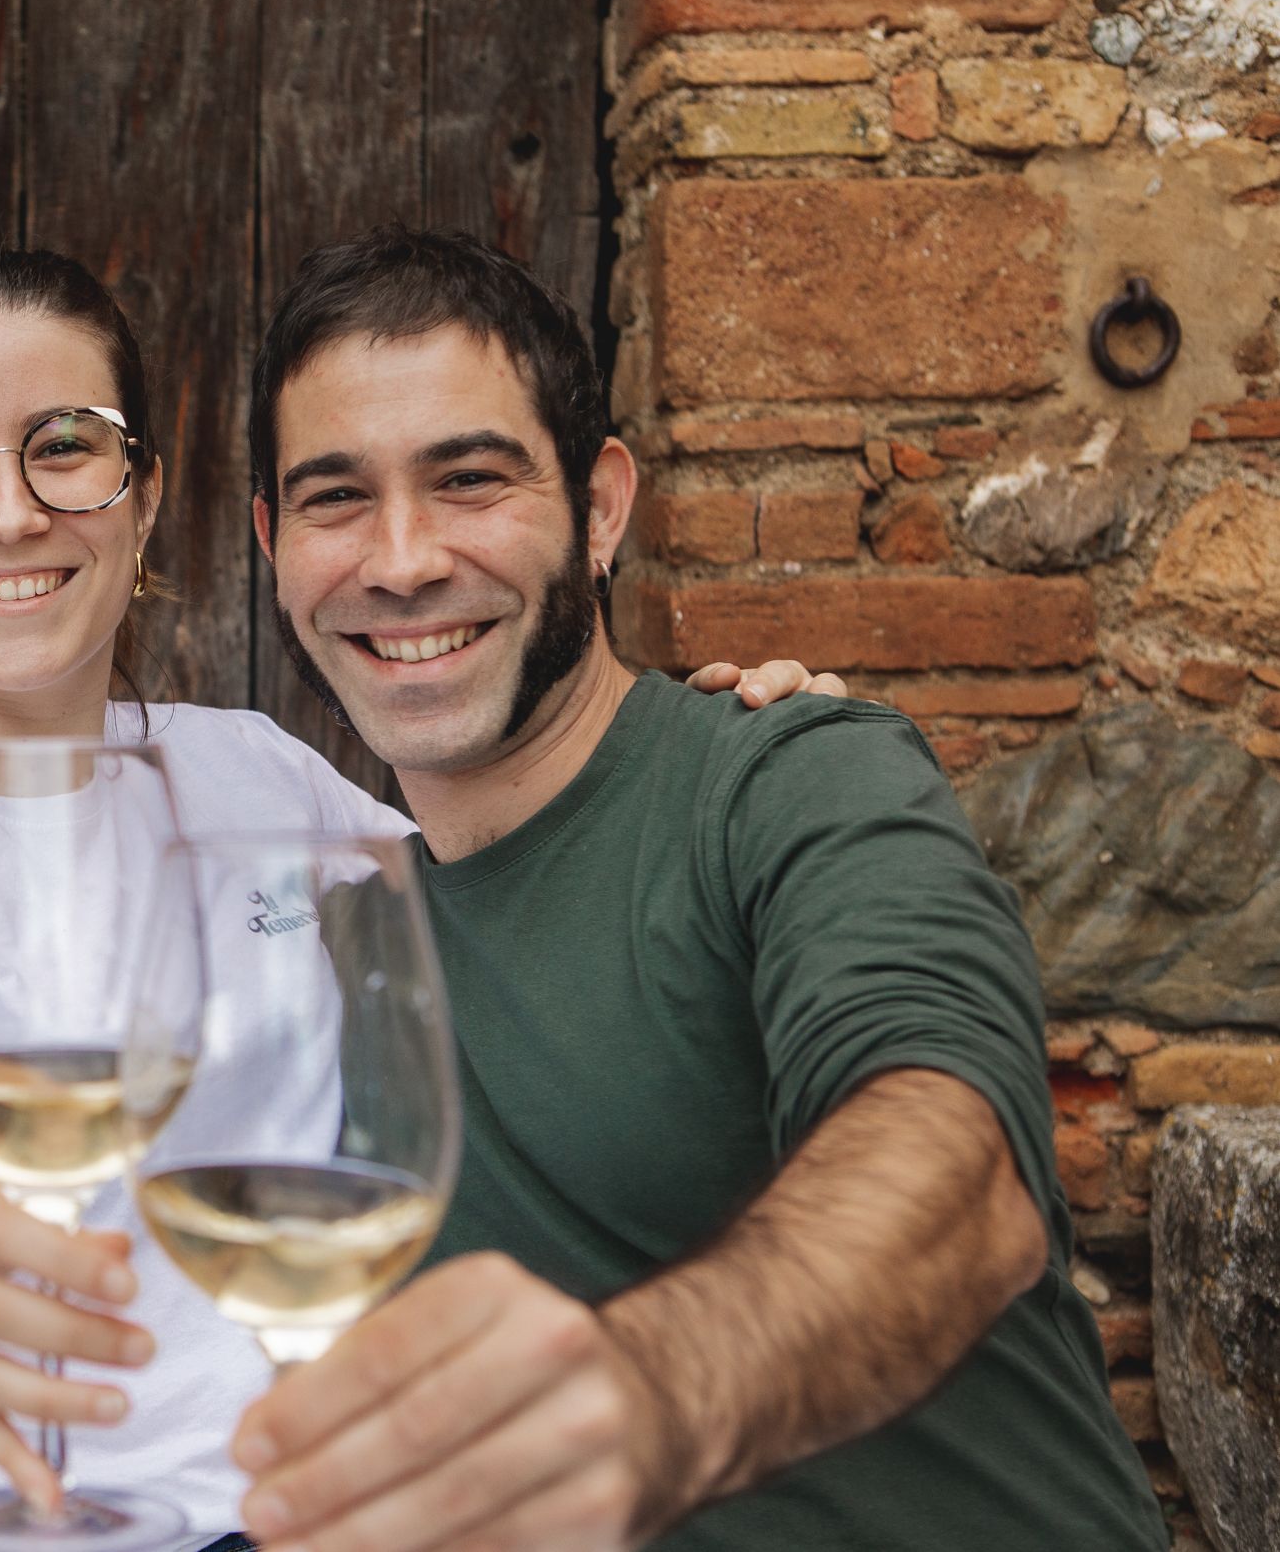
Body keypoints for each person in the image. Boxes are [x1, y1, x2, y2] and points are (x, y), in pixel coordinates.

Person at [0, 247, 838, 1552]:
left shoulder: (254, 769)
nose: (7, 512)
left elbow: (506, 902)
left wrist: (697, 767)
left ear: (143, 499)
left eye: (64, 447)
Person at [220, 226, 1165, 1551]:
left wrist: (647, 1392)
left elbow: (955, 1177)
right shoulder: (336, 952)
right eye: (334, 498)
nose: (401, 558)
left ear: (601, 509)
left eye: (469, 480)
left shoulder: (791, 782)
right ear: (273, 543)